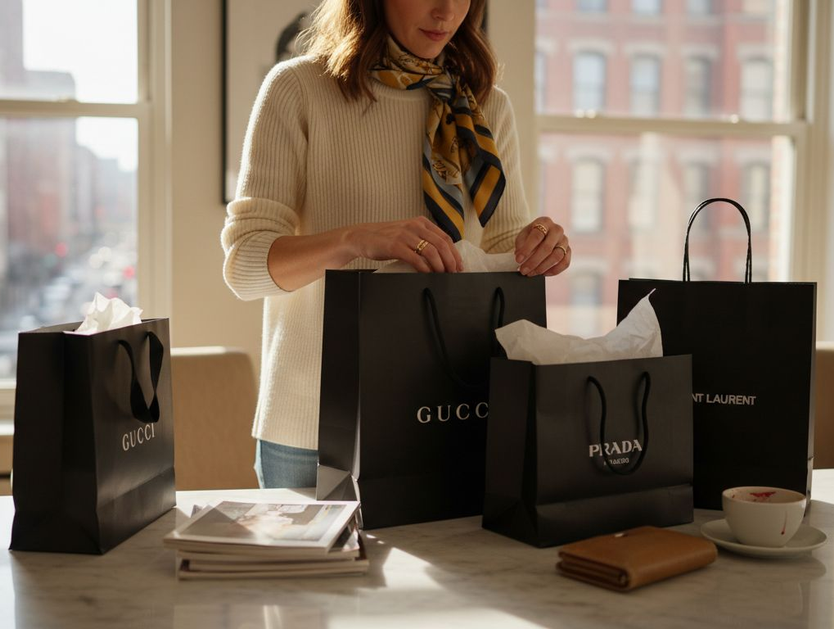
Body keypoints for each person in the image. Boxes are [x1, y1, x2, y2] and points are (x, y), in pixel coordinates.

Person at [221, 0, 572, 489]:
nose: (446, 11)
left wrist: (542, 246)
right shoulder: (298, 88)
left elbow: (505, 252)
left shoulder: (486, 106)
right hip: (312, 429)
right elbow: (245, 265)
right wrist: (355, 239)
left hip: (450, 413)